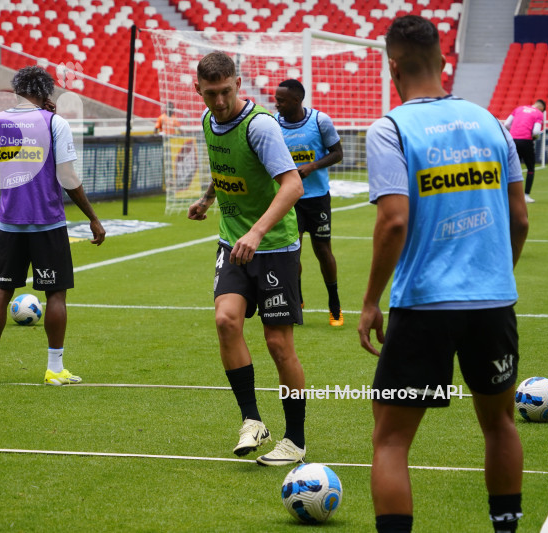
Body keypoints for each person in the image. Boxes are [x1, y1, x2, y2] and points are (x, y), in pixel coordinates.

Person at [358, 16, 529, 533]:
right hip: (492, 302)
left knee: (390, 441)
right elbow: (519, 219)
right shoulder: (493, 123)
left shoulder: (389, 129)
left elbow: (393, 220)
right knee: (498, 423)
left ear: (393, 65)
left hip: (425, 305)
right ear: (442, 59)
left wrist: (369, 301)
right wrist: (495, 276)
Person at [188, 51, 307, 466]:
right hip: (232, 242)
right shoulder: (208, 121)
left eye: (225, 92)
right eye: (210, 94)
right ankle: (253, 420)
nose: (218, 102)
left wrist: (257, 232)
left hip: (274, 247)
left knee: (278, 344)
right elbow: (226, 172)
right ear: (197, 89)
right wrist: (206, 199)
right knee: (225, 321)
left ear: (238, 83)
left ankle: (295, 440)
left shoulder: (261, 128)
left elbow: (292, 186)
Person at [0, 66, 105, 386]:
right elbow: (67, 177)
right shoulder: (54, 123)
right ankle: (54, 368)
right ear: (46, 92)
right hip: (47, 222)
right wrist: (92, 217)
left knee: (0, 294)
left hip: (9, 222)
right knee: (55, 296)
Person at [274, 79, 345, 326]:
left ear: (296, 100)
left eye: (281, 99)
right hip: (289, 198)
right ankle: (297, 300)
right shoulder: (273, 124)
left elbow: (338, 153)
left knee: (323, 251)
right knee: (293, 252)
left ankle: (334, 305)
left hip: (317, 198)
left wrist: (313, 166)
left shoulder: (319, 121)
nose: (277, 103)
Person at [504, 99, 545, 203]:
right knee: (530, 168)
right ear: (541, 108)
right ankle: (526, 195)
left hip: (512, 140)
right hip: (526, 141)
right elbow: (536, 131)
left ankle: (506, 194)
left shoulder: (519, 108)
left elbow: (506, 124)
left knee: (510, 168)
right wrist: (534, 137)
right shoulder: (539, 113)